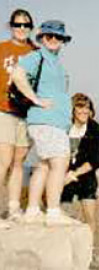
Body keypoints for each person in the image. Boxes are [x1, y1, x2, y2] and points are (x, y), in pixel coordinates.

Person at [12, 20, 73, 225]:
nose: (54, 40)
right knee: (60, 162)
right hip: (45, 120)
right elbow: (17, 75)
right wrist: (35, 99)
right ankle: (53, 212)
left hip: (55, 121)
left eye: (58, 37)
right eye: (49, 36)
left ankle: (32, 210)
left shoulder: (56, 63)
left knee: (44, 165)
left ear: (63, 40)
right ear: (41, 38)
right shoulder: (36, 56)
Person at [61, 93, 99, 270]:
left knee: (89, 216)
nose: (84, 111)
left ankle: (89, 253)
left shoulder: (95, 129)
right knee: (63, 213)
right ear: (72, 109)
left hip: (85, 175)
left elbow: (97, 158)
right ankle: (65, 252)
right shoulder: (64, 128)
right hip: (63, 175)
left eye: (87, 107)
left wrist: (74, 174)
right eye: (80, 107)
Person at [0, 9, 37, 222]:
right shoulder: (2, 49)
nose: (21, 28)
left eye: (25, 25)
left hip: (27, 113)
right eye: (17, 24)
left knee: (18, 162)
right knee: (3, 161)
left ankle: (13, 207)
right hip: (4, 110)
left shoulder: (36, 51)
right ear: (11, 26)